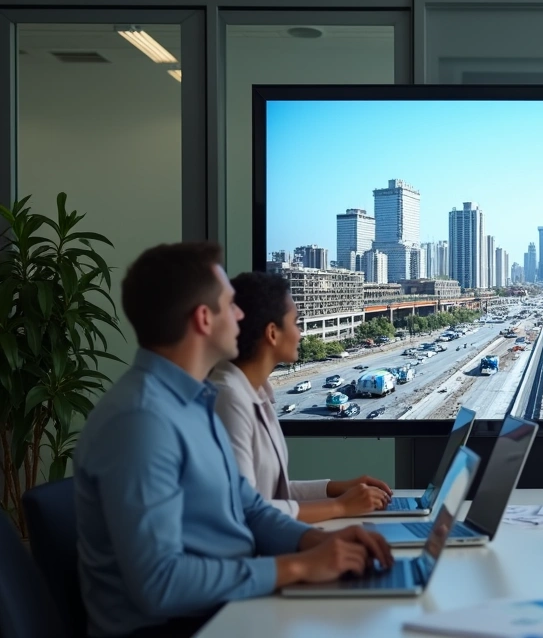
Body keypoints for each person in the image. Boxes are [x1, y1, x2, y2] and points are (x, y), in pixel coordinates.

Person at [74, 243, 393, 638]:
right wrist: (297, 566)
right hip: (179, 627)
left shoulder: (193, 402)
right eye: (230, 304)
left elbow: (249, 507)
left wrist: (318, 542)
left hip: (224, 608)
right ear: (204, 319)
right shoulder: (141, 421)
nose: (242, 315)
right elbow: (160, 584)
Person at [210, 271, 392, 523]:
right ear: (272, 333)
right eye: (295, 323)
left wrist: (338, 489)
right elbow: (245, 510)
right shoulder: (228, 398)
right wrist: (339, 508)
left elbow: (272, 492)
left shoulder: (253, 393)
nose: (300, 333)